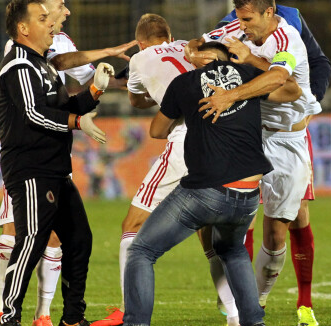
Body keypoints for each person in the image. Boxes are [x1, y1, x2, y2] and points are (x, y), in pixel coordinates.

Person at [123, 41, 301, 326]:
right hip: (247, 195)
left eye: (193, 51)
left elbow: (156, 130)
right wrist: (246, 82)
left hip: (208, 191)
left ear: (204, 56)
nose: (188, 54)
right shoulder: (248, 76)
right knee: (232, 250)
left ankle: (135, 323)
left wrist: (186, 110)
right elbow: (294, 91)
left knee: (141, 252)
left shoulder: (184, 83)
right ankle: (254, 322)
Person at [0, 1, 137, 326]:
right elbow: (34, 113)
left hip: (55, 168)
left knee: (79, 240)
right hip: (31, 169)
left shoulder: (43, 65)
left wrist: (95, 90)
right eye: (43, 19)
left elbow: (64, 103)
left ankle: (72, 318)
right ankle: (8, 318)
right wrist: (77, 122)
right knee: (31, 242)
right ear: (23, 28)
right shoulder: (18, 65)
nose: (51, 24)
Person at [91, 13, 241, 326]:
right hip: (226, 139)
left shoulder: (139, 58)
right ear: (169, 36)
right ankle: (236, 315)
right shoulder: (188, 46)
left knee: (133, 225)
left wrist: (119, 84)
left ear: (141, 41)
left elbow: (137, 101)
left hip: (187, 140)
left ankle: (126, 311)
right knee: (210, 234)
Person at [188, 0, 322, 325]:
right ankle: (239, 312)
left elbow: (280, 80)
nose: (242, 26)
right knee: (232, 222)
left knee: (277, 236)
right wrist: (202, 53)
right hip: (249, 136)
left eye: (248, 19)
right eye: (239, 18)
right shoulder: (237, 28)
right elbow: (195, 46)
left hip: (288, 141)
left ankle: (256, 301)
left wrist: (237, 83)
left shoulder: (288, 40)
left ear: (269, 13)